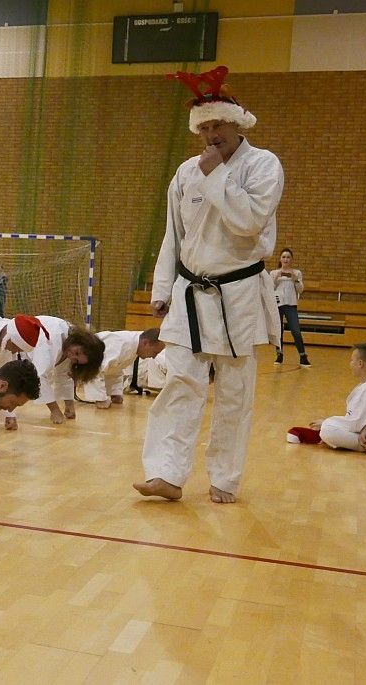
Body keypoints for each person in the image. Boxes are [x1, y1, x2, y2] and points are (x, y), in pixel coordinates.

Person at [134, 66, 284, 505]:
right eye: (203, 127)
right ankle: (165, 474)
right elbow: (173, 235)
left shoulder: (264, 165)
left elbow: (249, 222)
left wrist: (215, 175)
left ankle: (224, 477)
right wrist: (162, 288)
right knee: (179, 382)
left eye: (218, 124)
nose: (211, 134)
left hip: (238, 295)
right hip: (189, 293)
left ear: (237, 122)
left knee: (235, 394)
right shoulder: (185, 173)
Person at [287, 343, 366, 451]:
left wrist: (327, 422)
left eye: (352, 360)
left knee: (328, 431)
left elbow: (355, 425)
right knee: (330, 426)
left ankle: (320, 436)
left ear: (360, 363)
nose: (350, 364)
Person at [23, 316, 106, 424]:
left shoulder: (69, 344)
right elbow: (39, 375)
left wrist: (69, 404)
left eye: (76, 361)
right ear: (79, 340)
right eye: (76, 352)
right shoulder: (54, 336)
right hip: (6, 348)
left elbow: (63, 375)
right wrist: (54, 410)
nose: (72, 357)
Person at [84, 328, 166, 409]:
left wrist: (115, 392)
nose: (154, 357)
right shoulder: (123, 344)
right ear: (145, 343)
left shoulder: (134, 347)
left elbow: (114, 368)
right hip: (76, 356)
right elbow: (96, 368)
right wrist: (100, 399)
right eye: (155, 352)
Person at [270, 248, 311, 367]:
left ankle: (303, 356)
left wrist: (296, 280)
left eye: (288, 257)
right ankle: (279, 354)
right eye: (283, 257)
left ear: (291, 259)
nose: (285, 259)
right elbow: (269, 289)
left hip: (291, 305)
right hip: (277, 305)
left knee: (296, 330)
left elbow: (300, 290)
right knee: (278, 331)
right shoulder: (273, 273)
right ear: (280, 259)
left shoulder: (297, 273)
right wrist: (275, 278)